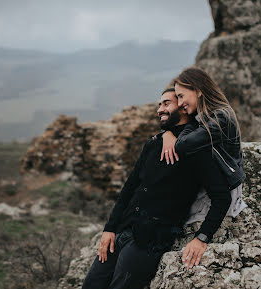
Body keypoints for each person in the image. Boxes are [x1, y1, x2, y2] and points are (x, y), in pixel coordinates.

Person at [82, 87, 228, 289]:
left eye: (166, 103)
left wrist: (202, 238)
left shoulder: (196, 149)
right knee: (91, 285)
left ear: (184, 106)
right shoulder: (153, 144)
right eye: (159, 104)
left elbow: (222, 197)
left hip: (150, 241)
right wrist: (110, 228)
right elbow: (129, 189)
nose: (160, 109)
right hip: (123, 231)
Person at [160, 66, 245, 264]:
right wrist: (167, 133)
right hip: (212, 182)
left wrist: (202, 237)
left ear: (198, 90)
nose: (180, 104)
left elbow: (184, 145)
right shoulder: (207, 116)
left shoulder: (221, 117)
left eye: (182, 96)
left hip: (223, 192)